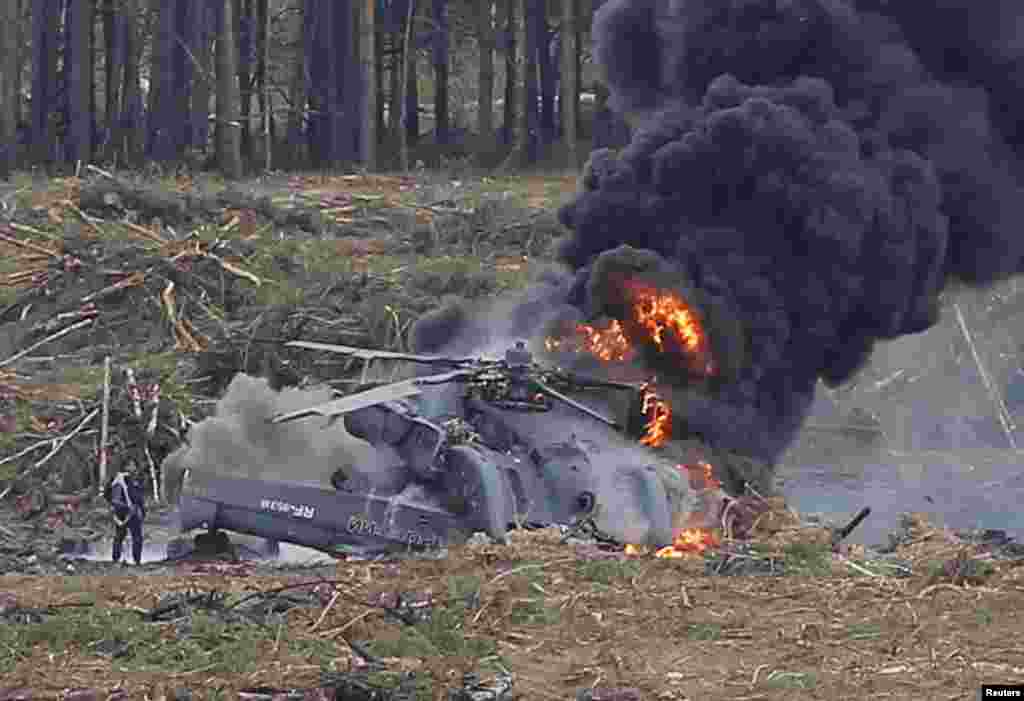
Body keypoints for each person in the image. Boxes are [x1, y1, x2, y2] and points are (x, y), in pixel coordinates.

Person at [104, 468, 146, 565]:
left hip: (129, 511)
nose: (133, 470)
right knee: (124, 535)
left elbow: (139, 498)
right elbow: (110, 497)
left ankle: (135, 560)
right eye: (130, 466)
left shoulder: (132, 481)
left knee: (131, 536)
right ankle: (118, 559)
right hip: (124, 511)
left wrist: (142, 510)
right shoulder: (120, 481)